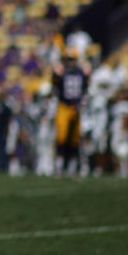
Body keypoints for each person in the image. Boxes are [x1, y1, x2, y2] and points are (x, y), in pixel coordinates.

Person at [51, 46, 88, 176]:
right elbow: (54, 87)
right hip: (64, 106)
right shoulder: (61, 73)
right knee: (61, 136)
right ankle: (59, 166)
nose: (70, 62)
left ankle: (72, 166)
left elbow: (85, 90)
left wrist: (82, 102)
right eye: (68, 59)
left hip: (76, 107)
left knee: (75, 138)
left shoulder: (81, 73)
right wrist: (55, 76)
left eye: (72, 59)